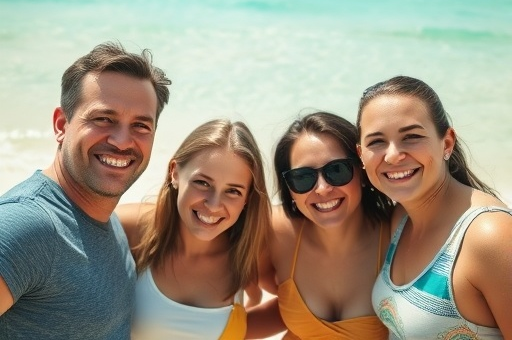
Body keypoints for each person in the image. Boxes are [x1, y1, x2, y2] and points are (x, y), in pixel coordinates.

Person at [0, 41, 172, 339]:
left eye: (141, 126)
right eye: (103, 119)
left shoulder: (107, 219)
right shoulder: (27, 226)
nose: (121, 141)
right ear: (61, 124)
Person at [356, 75, 512, 339]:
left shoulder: (489, 235)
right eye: (377, 142)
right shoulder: (400, 219)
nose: (393, 155)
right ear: (361, 155)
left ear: (447, 143)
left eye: (412, 136)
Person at [116, 118, 272, 340]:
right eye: (203, 183)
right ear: (175, 173)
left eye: (233, 191)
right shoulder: (130, 228)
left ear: (247, 198)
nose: (213, 204)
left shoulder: (248, 251)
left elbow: (287, 307)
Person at [248, 111, 393, 339]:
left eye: (337, 170)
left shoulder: (399, 233)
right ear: (290, 189)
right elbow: (283, 310)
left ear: (362, 171)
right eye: (303, 177)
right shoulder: (275, 231)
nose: (323, 189)